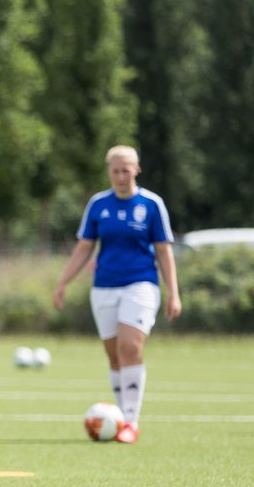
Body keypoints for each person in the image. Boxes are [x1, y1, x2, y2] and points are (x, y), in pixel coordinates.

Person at [53, 145, 182, 444]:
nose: (121, 176)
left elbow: (164, 251)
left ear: (137, 170)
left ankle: (131, 423)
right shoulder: (98, 205)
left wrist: (173, 293)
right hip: (104, 287)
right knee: (113, 356)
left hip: (141, 284)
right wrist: (62, 282)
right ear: (109, 171)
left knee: (130, 346)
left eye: (127, 170)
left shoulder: (151, 204)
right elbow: (84, 247)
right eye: (116, 170)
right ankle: (120, 417)